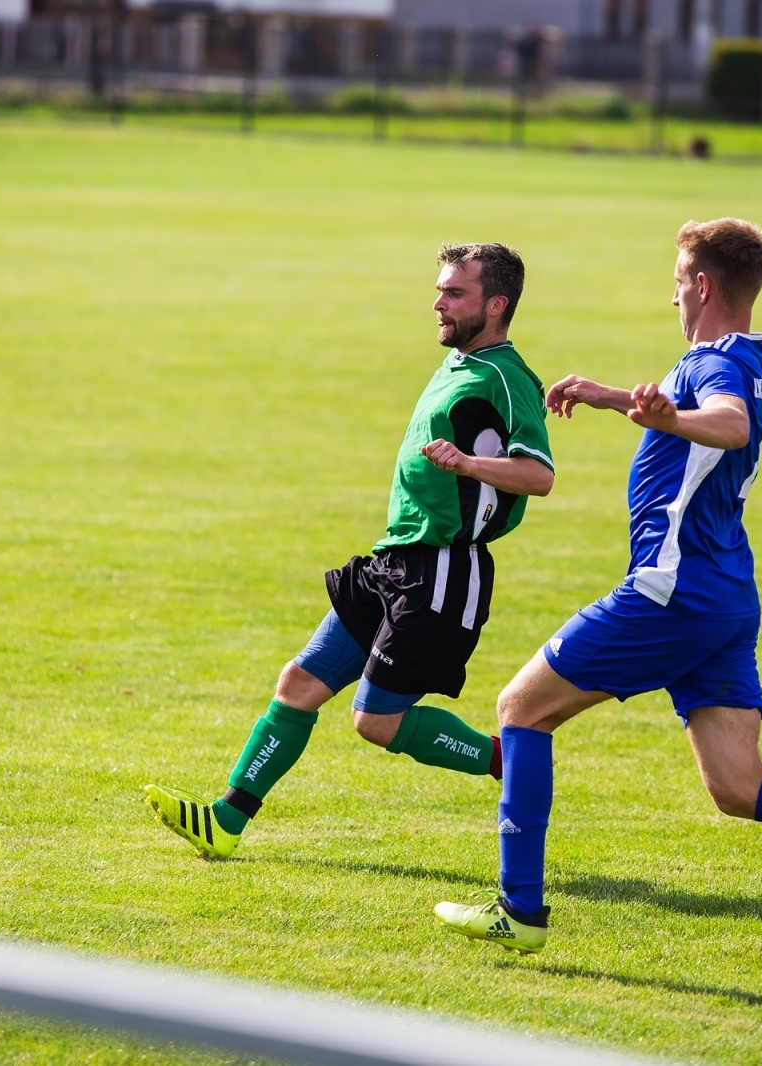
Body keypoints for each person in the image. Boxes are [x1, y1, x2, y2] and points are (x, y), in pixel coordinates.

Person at [433, 219, 762, 955]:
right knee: (738, 785)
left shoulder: (716, 371)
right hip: (722, 592)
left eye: (676, 281)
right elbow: (700, 413)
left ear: (703, 285)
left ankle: (519, 908)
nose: (671, 299)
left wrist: (674, 415)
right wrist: (613, 398)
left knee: (519, 711)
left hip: (670, 592)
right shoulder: (742, 355)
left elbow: (727, 423)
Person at [145, 243, 555, 858]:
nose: (438, 303)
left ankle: (505, 759)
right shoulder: (460, 362)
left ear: (496, 305)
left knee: (376, 722)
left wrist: (469, 463)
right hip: (393, 561)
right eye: (439, 289)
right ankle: (227, 821)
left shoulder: (505, 376)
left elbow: (539, 475)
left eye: (454, 293)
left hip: (442, 570)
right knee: (299, 683)